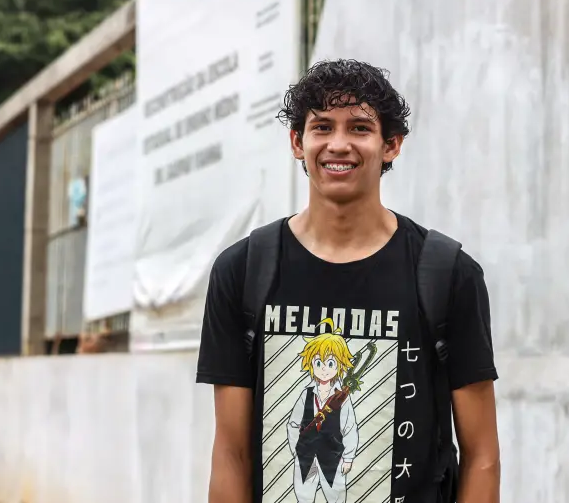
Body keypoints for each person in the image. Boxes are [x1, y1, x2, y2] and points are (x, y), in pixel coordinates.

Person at [196, 59, 500, 503]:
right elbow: (231, 454)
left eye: (359, 128)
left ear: (391, 144)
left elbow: (483, 456)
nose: (338, 144)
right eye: (322, 127)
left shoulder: (448, 273)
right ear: (297, 142)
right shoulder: (242, 271)